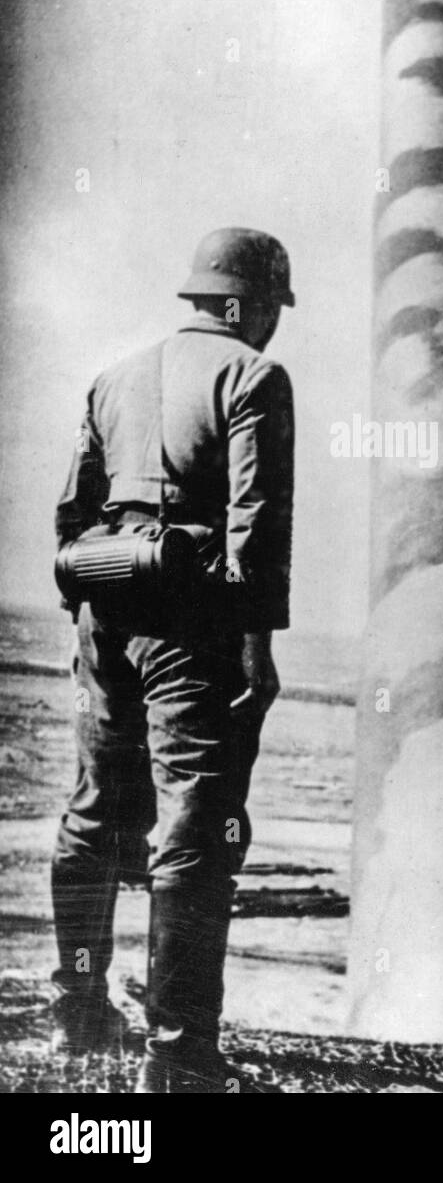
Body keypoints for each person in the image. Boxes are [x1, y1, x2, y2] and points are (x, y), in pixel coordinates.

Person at [50, 228, 295, 1092]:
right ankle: (179, 1054)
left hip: (102, 609)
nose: (271, 325)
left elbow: (73, 513)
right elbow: (254, 518)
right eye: (270, 308)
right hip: (194, 625)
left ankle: (76, 1018)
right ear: (248, 304)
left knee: (93, 813)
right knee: (193, 829)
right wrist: (257, 642)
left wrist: (91, 615)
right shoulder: (254, 377)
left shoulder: (112, 377)